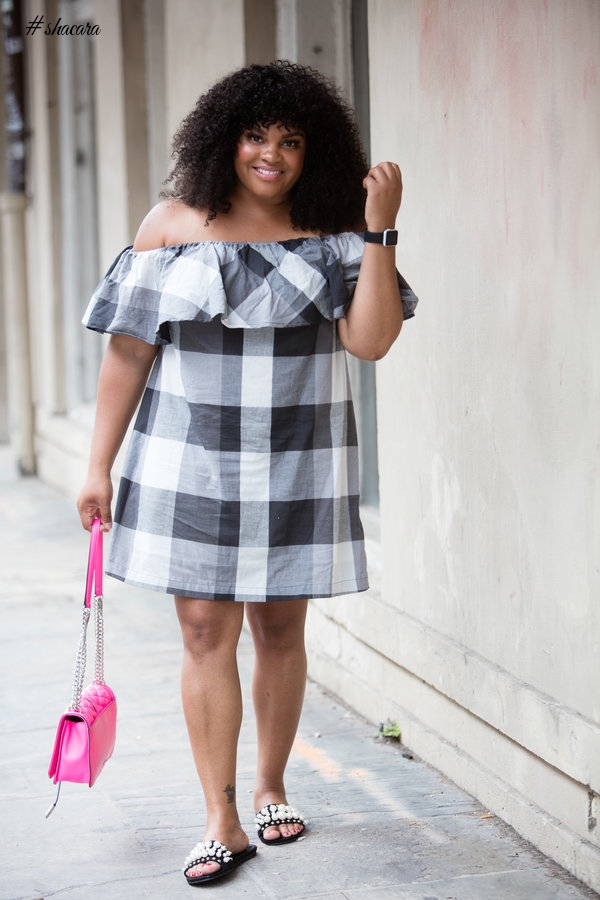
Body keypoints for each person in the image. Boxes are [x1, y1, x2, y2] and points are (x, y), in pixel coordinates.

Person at [77, 60, 417, 887]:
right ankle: (220, 818)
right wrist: (98, 464)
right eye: (257, 136)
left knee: (278, 632)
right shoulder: (173, 223)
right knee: (203, 634)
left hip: (299, 462)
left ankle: (269, 785)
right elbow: (129, 350)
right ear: (225, 140)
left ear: (314, 151)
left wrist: (379, 230)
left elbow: (371, 342)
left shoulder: (337, 230)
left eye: (291, 140)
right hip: (189, 466)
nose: (271, 154)